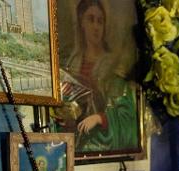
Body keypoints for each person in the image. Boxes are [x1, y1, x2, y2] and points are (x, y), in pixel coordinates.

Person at [58, 0, 138, 154]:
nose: (96, 27)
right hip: (76, 143)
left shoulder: (113, 65)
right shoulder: (72, 62)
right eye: (91, 19)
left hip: (103, 142)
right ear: (81, 23)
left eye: (100, 21)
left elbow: (127, 115)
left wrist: (100, 118)